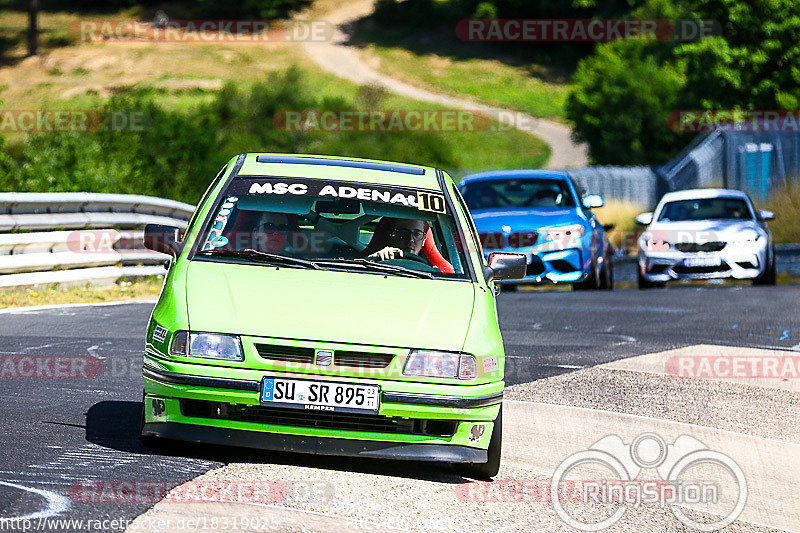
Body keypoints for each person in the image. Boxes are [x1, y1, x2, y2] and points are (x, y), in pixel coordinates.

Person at [360, 217, 427, 261]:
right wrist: (375, 258)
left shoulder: (433, 273)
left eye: (417, 234)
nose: (410, 239)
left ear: (424, 240)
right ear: (392, 235)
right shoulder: (379, 259)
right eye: (404, 233)